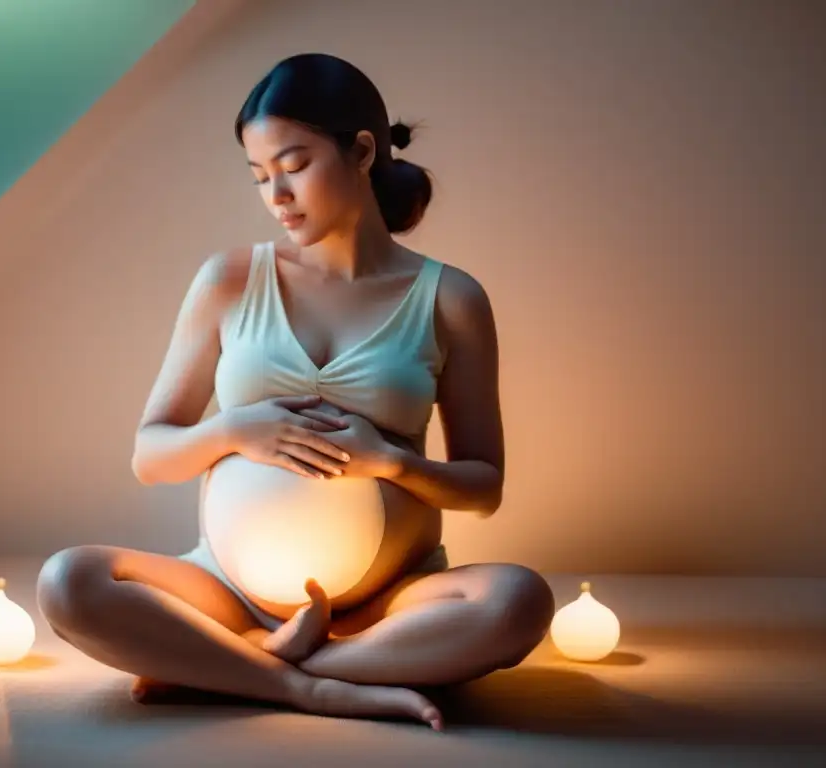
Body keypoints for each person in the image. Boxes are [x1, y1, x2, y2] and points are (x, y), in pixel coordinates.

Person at [36, 53, 554, 732]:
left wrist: (390, 461)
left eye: (295, 164)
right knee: (68, 582)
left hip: (387, 600)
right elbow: (151, 454)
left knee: (519, 601)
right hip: (227, 591)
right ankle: (316, 685)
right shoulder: (228, 281)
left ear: (362, 150)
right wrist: (234, 431)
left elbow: (482, 486)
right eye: (260, 176)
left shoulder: (450, 300)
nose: (276, 195)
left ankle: (242, 666)